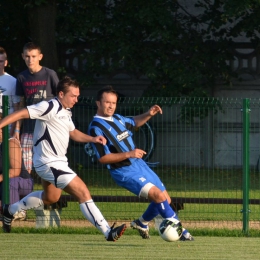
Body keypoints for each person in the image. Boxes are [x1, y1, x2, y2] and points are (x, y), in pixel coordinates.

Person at [1, 77, 126, 241]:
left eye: (77, 95)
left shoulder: (66, 111)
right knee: (83, 192)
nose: (76, 99)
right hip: (48, 163)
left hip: (57, 163)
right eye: (73, 95)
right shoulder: (48, 106)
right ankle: (108, 232)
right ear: (61, 94)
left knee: (50, 198)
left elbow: (73, 133)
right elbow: (21, 112)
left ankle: (9, 210)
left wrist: (92, 139)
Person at [88, 85, 194, 241]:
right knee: (158, 196)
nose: (111, 106)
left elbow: (134, 122)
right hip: (123, 171)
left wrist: (149, 114)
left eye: (114, 103)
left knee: (166, 199)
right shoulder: (95, 127)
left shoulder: (117, 118)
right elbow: (103, 158)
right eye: (107, 102)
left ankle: (141, 222)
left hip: (139, 164)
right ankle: (181, 231)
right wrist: (129, 153)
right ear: (98, 103)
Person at [14, 42, 59, 176]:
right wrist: (17, 128)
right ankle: (27, 193)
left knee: (50, 163)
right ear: (23, 56)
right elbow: (20, 105)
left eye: (33, 56)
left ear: (40, 56)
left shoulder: (50, 74)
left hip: (48, 127)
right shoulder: (21, 77)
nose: (30, 60)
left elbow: (60, 99)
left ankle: (53, 195)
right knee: (25, 166)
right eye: (27, 56)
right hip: (28, 127)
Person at [0, 113, 33, 221]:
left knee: (10, 182)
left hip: (23, 182)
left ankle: (16, 212)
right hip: (3, 183)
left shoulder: (11, 143)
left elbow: (15, 171)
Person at [0, 47, 20, 135]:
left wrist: (14, 129)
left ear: (5, 63)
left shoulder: (13, 81)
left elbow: (16, 108)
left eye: (0, 61)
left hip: (7, 128)